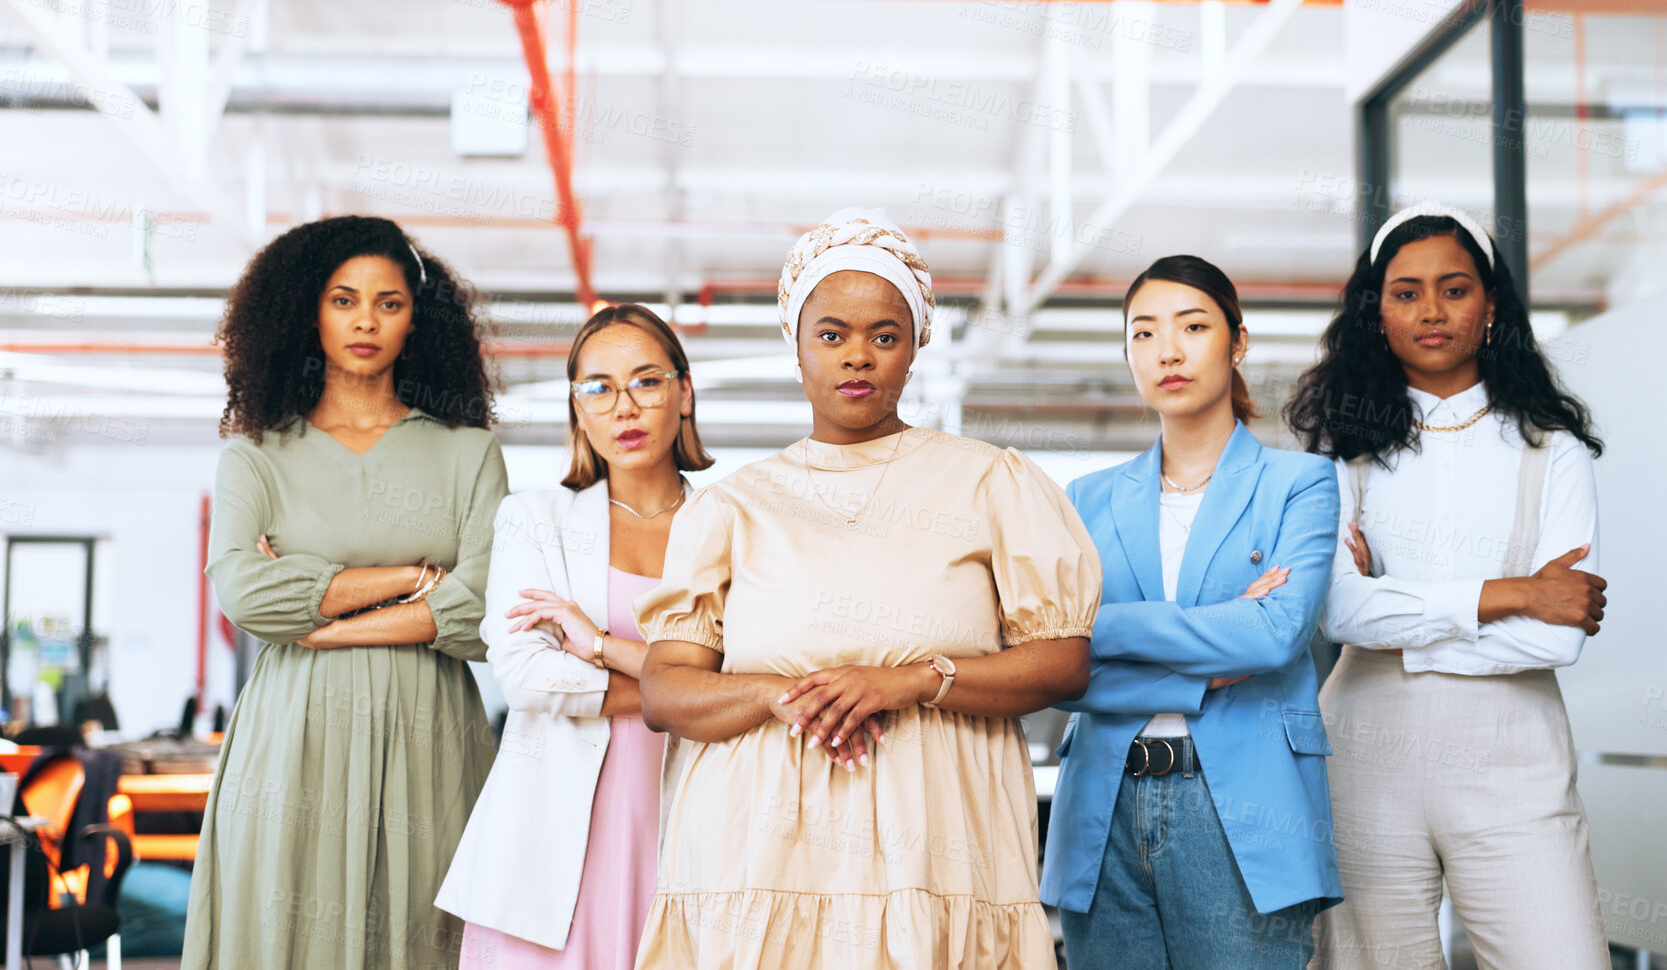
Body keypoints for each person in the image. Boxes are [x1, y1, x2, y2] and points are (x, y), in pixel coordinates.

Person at [631, 207, 1101, 969]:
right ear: (797, 346)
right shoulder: (732, 505)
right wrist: (777, 694)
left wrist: (909, 680)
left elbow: (1063, 663)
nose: (858, 357)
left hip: (936, 838)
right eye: (832, 334)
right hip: (759, 848)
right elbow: (664, 692)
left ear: (913, 351)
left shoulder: (988, 482)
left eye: (885, 336)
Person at [1288, 202, 1610, 969]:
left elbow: (1557, 633)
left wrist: (1398, 618)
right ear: (1376, 313)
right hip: (1363, 755)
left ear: (1490, 304)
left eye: (1454, 288)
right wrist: (1512, 592)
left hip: (1513, 755)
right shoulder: (1342, 451)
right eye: (1405, 292)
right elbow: (1335, 608)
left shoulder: (1551, 449)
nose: (1430, 310)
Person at [188, 215, 506, 969]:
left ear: (414, 321)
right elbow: (243, 591)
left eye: (389, 302)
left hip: (430, 726)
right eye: (344, 299)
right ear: (308, 310)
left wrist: (319, 613)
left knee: (425, 928)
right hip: (292, 732)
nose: (366, 319)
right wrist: (414, 579)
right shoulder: (256, 456)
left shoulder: (468, 452)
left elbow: (486, 609)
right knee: (287, 929)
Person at [1044, 255, 1342, 968]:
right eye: (1142, 333)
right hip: (1103, 801)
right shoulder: (1085, 499)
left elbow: (1272, 634)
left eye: (1192, 326)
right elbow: (1060, 668)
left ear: (1237, 341)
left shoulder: (1299, 483)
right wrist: (1200, 666)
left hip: (1242, 806)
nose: (1166, 351)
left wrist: (1105, 629)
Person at [437, 304, 713, 966]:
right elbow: (528, 676)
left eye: (646, 381)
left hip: (691, 818)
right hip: (552, 839)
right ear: (577, 409)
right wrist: (688, 688)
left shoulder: (729, 524)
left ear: (684, 392)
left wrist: (595, 644)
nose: (624, 406)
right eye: (598, 386)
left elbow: (756, 676)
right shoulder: (537, 519)